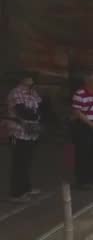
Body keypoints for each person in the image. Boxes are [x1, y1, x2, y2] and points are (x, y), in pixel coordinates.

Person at [7, 72, 42, 202]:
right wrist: (35, 115)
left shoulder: (32, 92)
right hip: (19, 132)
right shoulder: (16, 92)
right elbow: (22, 111)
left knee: (27, 161)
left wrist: (36, 114)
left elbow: (40, 107)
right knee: (19, 163)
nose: (31, 80)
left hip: (31, 132)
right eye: (29, 78)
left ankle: (26, 188)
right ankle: (16, 193)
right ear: (23, 79)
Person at [72, 71, 93, 189]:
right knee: (83, 153)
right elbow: (77, 112)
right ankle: (82, 181)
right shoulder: (79, 94)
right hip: (83, 126)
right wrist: (91, 124)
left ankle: (92, 177)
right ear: (88, 81)